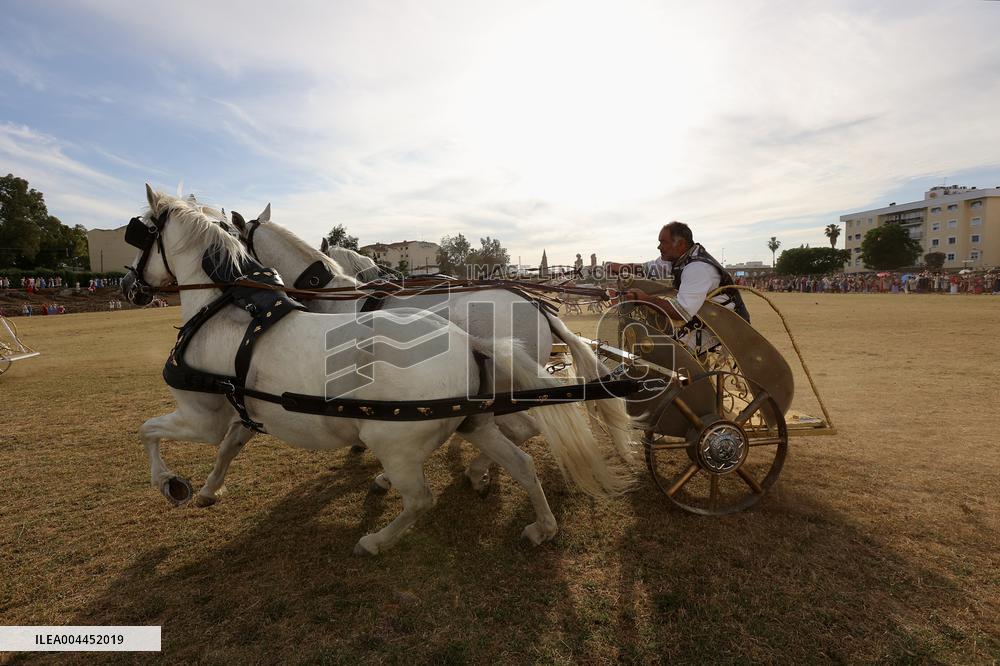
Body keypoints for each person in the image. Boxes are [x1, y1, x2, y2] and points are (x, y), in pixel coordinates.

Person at [606, 221, 750, 323]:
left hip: (725, 324)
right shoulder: (676, 258)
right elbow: (645, 269)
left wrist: (644, 299)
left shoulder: (697, 268)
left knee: (669, 351)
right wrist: (620, 267)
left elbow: (681, 312)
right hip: (702, 315)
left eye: (663, 242)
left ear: (680, 244)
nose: (658, 247)